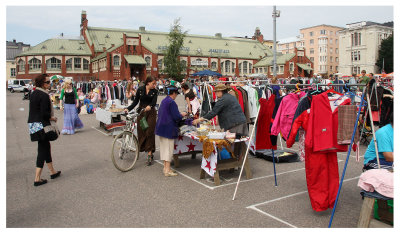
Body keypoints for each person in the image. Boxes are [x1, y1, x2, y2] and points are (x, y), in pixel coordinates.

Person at [193, 84, 248, 157]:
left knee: (232, 144)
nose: (215, 94)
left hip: (235, 124)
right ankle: (236, 160)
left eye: (216, 92)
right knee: (237, 144)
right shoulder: (230, 97)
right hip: (240, 122)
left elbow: (213, 113)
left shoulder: (223, 99)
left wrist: (199, 120)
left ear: (220, 91)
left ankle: (232, 161)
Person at [28, 74, 61, 186]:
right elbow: (44, 113)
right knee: (42, 149)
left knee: (46, 146)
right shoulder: (44, 95)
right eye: (47, 82)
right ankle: (37, 178)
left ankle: (52, 171)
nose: (49, 84)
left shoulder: (33, 93)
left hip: (33, 124)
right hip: (42, 125)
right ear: (42, 83)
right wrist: (52, 118)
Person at [124, 77, 158, 166]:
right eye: (153, 83)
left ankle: (150, 153)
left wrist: (150, 106)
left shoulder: (155, 91)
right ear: (148, 83)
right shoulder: (140, 89)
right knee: (142, 131)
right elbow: (135, 102)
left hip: (151, 113)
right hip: (141, 112)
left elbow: (154, 102)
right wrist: (128, 108)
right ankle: (144, 148)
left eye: (155, 84)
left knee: (149, 132)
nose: (155, 85)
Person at [155, 86, 187, 177]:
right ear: (173, 93)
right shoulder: (172, 102)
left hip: (161, 127)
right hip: (168, 128)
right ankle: (167, 170)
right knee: (168, 149)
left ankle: (165, 167)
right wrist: (182, 114)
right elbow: (176, 116)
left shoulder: (164, 100)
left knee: (164, 149)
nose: (176, 95)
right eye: (176, 93)